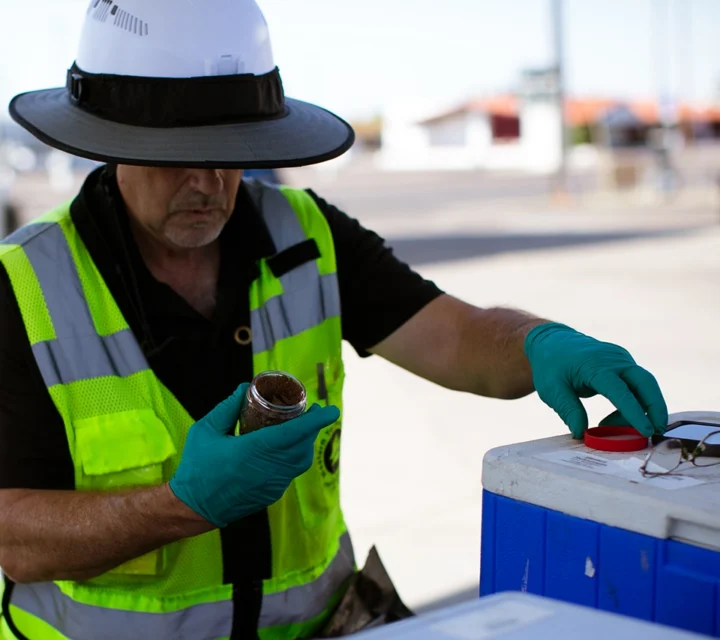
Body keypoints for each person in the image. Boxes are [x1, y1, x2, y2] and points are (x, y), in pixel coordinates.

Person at [0, 1, 668, 638]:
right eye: (178, 156)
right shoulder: (25, 287)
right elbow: (14, 540)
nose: (207, 183)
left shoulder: (305, 234)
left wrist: (538, 342)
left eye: (230, 148)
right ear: (111, 142)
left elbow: (452, 335)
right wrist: (182, 505)